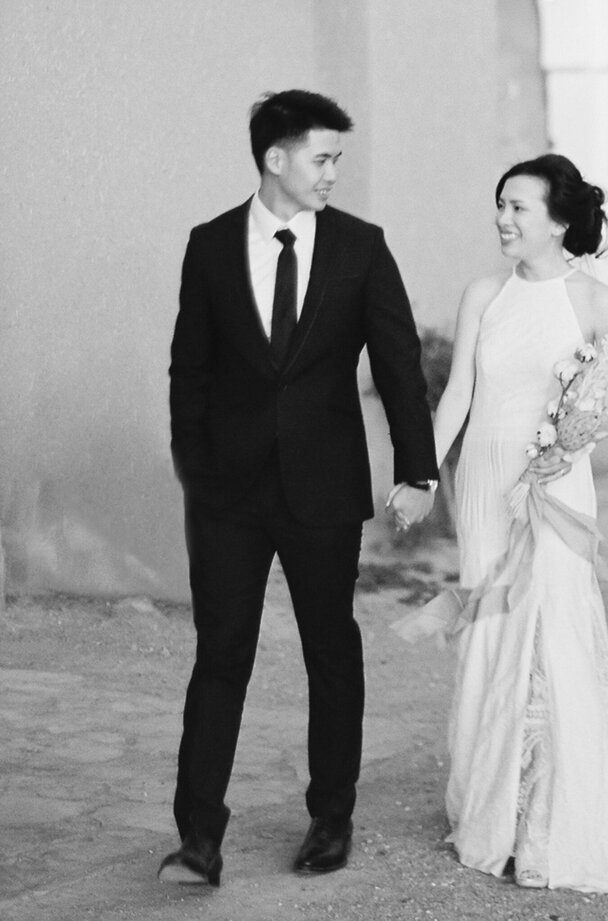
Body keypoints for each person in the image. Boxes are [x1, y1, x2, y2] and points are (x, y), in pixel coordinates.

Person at [159, 90, 439, 888]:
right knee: (221, 657)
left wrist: (416, 469)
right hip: (226, 496)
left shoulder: (360, 245)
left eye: (336, 161)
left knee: (330, 652)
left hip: (322, 488)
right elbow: (191, 366)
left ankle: (331, 816)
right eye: (322, 159)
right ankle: (197, 839)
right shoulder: (210, 244)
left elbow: (397, 364)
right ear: (275, 157)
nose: (332, 175)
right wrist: (192, 463)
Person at [424, 153, 608, 893]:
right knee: (492, 626)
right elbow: (456, 396)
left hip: (554, 485)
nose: (503, 218)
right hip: (484, 480)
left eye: (519, 206)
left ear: (559, 220)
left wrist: (566, 447)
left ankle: (551, 815)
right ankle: (494, 807)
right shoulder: (484, 292)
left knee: (550, 626)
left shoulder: (595, 302)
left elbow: (604, 404)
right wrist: (422, 471)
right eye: (500, 203)